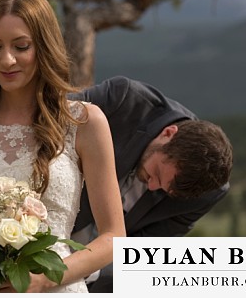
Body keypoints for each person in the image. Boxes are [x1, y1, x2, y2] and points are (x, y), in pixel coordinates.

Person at [0, 0, 126, 293]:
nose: (7, 60)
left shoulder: (84, 122)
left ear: (43, 45)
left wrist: (42, 280)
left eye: (21, 46)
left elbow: (113, 237)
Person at [69, 75, 234, 293]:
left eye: (166, 190)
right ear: (168, 134)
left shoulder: (208, 193)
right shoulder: (123, 100)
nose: (154, 186)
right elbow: (39, 122)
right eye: (156, 173)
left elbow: (143, 254)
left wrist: (84, 268)